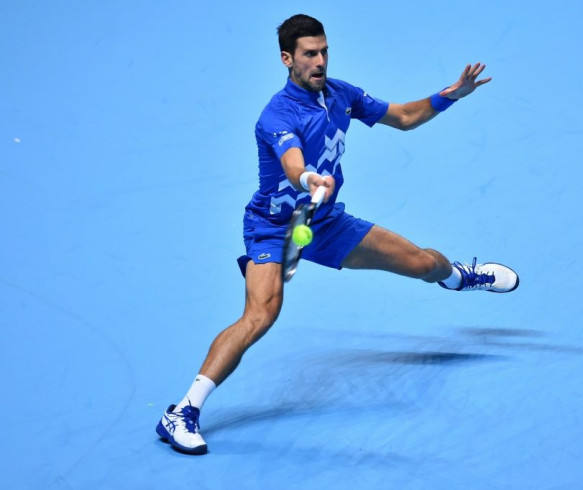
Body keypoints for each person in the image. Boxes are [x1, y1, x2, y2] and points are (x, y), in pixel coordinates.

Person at [156, 13, 519, 455]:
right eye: (310, 54)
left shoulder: (341, 94)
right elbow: (292, 163)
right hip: (273, 228)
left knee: (425, 264)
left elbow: (403, 117)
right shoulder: (276, 115)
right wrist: (310, 179)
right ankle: (182, 412)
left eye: (324, 51)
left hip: (324, 223)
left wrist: (450, 97)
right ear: (287, 59)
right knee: (260, 315)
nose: (320, 61)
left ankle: (460, 276)